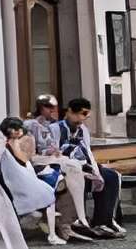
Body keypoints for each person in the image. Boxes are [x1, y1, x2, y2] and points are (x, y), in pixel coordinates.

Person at [0, 117, 75, 246]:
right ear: (13, 131)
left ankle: (50, 230)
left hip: (16, 180)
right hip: (21, 181)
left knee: (49, 187)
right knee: (48, 194)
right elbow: (23, 159)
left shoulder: (3, 144)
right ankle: (52, 235)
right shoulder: (12, 143)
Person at [60, 98, 124, 237]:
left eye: (84, 115)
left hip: (85, 165)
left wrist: (95, 170)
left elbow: (87, 150)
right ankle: (78, 221)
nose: (80, 119)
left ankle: (104, 221)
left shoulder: (83, 130)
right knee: (78, 178)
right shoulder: (57, 128)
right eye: (79, 114)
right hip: (66, 168)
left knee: (111, 176)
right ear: (69, 111)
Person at [27, 94, 91, 233]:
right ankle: (70, 222)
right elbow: (31, 151)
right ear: (40, 108)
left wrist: (55, 152)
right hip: (37, 163)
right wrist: (49, 153)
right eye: (48, 107)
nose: (52, 110)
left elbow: (53, 147)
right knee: (68, 173)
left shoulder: (51, 124)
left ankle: (78, 218)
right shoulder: (31, 124)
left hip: (53, 160)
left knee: (74, 169)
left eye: (54, 107)